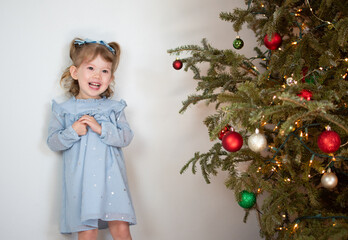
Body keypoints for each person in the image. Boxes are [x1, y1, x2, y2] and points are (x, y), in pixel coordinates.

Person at [47, 38, 136, 240]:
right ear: (75, 72)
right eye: (91, 68)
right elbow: (52, 142)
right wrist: (72, 131)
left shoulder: (114, 108)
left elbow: (126, 137)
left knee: (121, 229)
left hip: (112, 181)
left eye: (104, 71)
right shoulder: (64, 110)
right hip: (81, 184)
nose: (97, 75)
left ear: (111, 77)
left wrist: (101, 128)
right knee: (87, 232)